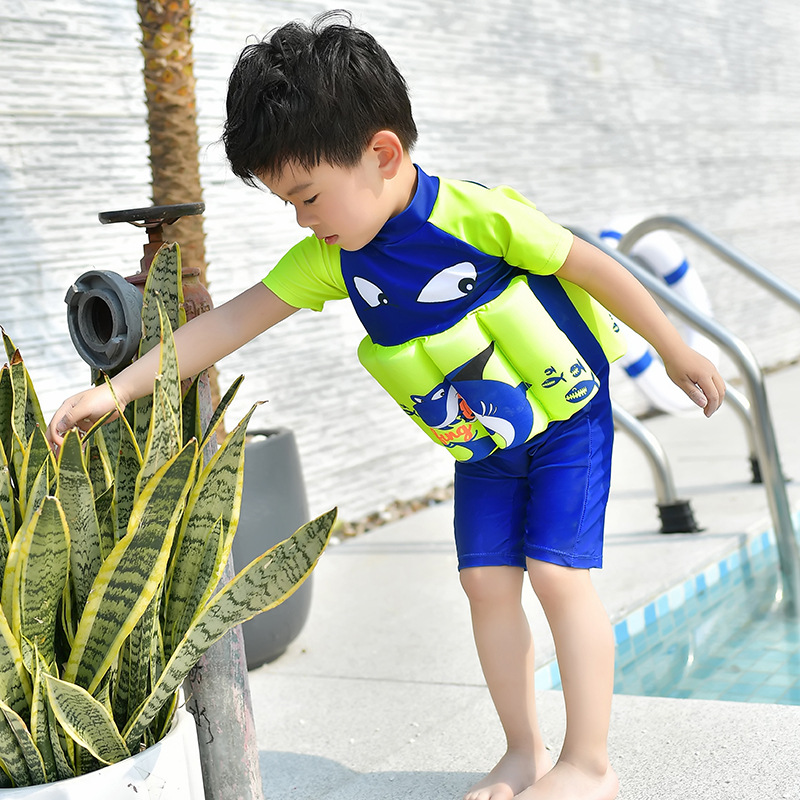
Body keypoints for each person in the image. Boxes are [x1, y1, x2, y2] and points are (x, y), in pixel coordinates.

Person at [47, 11, 725, 800]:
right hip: (484, 440)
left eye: (308, 196)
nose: (304, 219)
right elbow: (230, 323)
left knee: (555, 574)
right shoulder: (334, 258)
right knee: (485, 584)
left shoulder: (477, 216)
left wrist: (675, 349)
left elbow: (592, 266)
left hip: (565, 421)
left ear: (382, 154)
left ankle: (589, 764)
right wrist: (116, 389)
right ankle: (523, 753)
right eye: (289, 204)